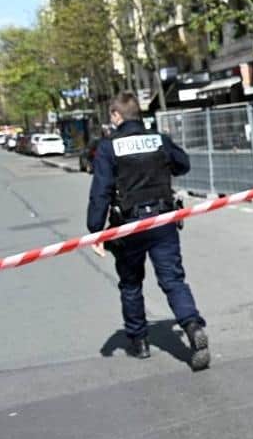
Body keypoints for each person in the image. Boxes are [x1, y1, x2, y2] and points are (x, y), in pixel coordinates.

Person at [87, 92, 210, 371]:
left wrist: (96, 230)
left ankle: (139, 341)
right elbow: (183, 164)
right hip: (163, 220)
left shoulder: (109, 147)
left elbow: (101, 192)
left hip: (128, 226)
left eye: (112, 115)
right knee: (173, 279)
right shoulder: (158, 139)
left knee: (131, 284)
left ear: (117, 116)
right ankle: (191, 326)